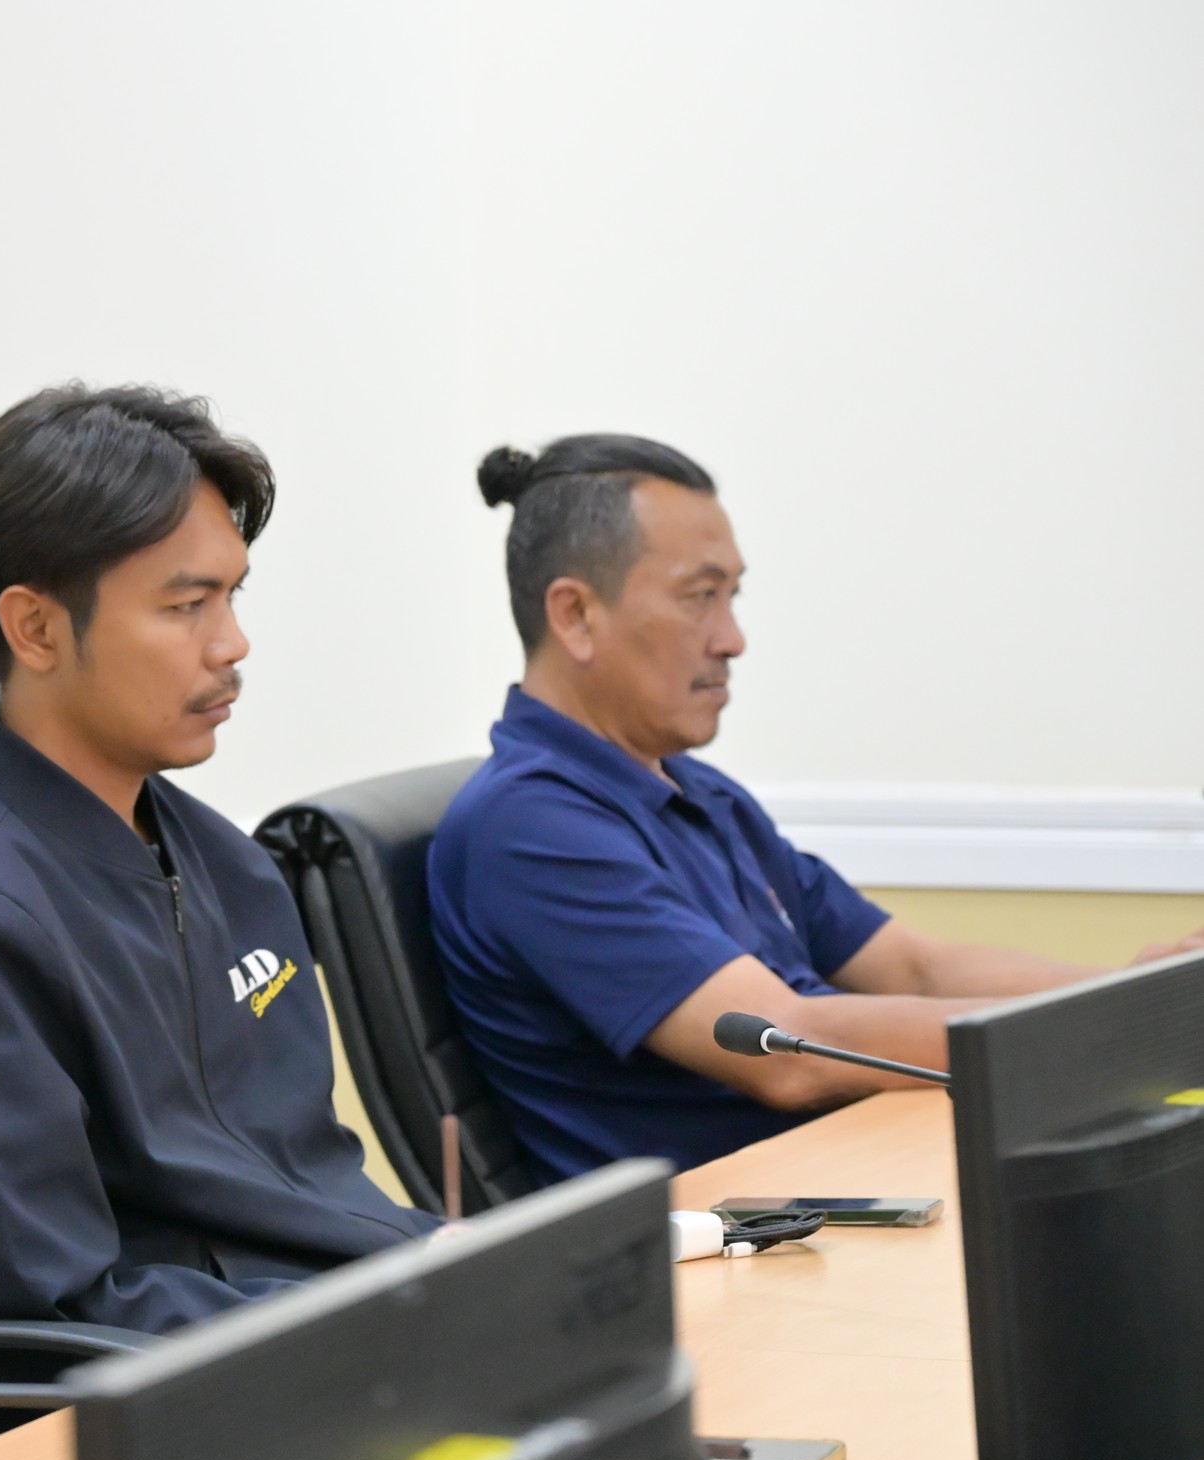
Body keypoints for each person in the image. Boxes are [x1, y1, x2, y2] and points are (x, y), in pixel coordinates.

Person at [0, 386, 438, 1338]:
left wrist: (455, 1265)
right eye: (187, 605)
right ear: (35, 629)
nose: (233, 644)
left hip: (374, 1322)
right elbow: (56, 1313)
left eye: (232, 596)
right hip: (236, 1383)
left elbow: (312, 1187)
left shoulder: (228, 862)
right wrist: (384, 1313)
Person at [429, 436, 1204, 1182]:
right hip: (733, 1239)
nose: (732, 639)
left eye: (732, 597)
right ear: (574, 615)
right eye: (699, 597)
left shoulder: (700, 793)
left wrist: (1128, 990)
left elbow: (912, 966)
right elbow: (788, 1053)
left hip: (855, 1180)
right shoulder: (529, 827)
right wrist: (1121, 1028)